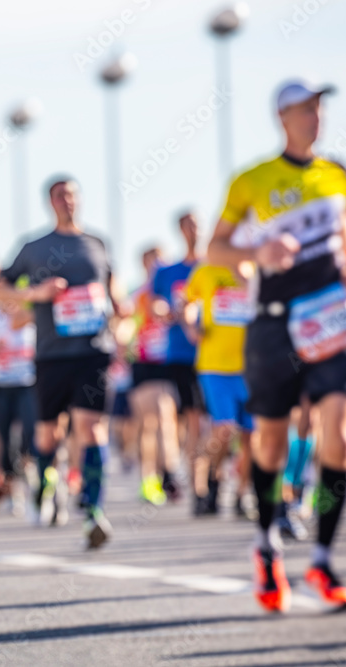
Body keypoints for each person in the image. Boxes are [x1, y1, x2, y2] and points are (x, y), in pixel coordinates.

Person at [207, 80, 346, 612]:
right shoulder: (252, 180)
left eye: (320, 108)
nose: (315, 117)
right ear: (282, 117)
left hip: (331, 324)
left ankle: (321, 557)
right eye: (305, 110)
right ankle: (267, 544)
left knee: (340, 441)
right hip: (274, 326)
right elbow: (216, 249)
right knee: (270, 446)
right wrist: (260, 248)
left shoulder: (335, 175)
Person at [0, 175, 121, 548]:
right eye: (59, 195)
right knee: (48, 433)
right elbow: (1, 290)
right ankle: (45, 485)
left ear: (79, 199)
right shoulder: (34, 248)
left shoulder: (97, 243)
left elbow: (113, 292)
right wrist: (38, 293)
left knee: (91, 429)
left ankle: (94, 511)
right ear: (50, 202)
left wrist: (121, 312)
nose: (67, 200)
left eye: (71, 194)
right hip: (52, 354)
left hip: (93, 351)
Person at [183, 260, 255, 516]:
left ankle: (241, 495)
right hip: (214, 366)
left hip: (250, 367)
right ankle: (209, 483)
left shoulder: (256, 268)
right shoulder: (206, 271)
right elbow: (187, 302)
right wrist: (191, 325)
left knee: (250, 436)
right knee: (224, 429)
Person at [153, 212, 209, 513]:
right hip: (180, 355)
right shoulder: (167, 271)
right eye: (188, 225)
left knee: (221, 424)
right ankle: (199, 488)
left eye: (198, 224)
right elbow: (155, 303)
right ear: (179, 230)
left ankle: (213, 477)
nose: (194, 230)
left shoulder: (213, 265)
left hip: (216, 355)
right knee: (193, 421)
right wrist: (164, 309)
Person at [127, 246, 180, 506]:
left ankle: (167, 471)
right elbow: (129, 323)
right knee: (148, 422)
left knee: (166, 419)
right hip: (144, 362)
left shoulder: (173, 291)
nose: (157, 267)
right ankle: (150, 478)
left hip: (168, 361)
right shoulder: (139, 295)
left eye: (161, 261)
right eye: (152, 262)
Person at [0, 281, 37, 513]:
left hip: (26, 384)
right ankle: (12, 490)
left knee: (31, 433)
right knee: (3, 440)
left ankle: (31, 472)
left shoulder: (31, 315)